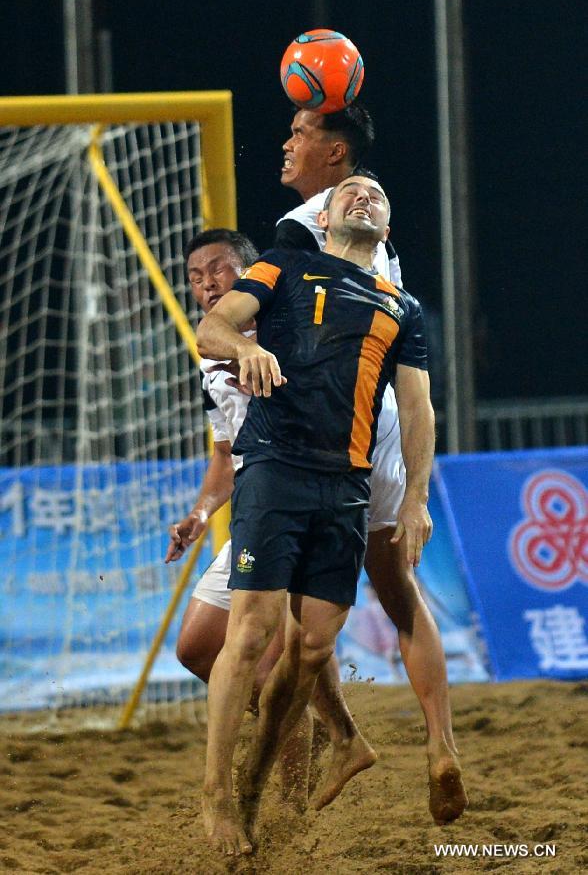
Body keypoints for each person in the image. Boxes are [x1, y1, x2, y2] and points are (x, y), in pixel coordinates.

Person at [196, 174, 436, 856]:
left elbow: (417, 408)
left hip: (347, 489)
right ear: (324, 220)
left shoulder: (402, 306)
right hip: (275, 467)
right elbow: (212, 327)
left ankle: (253, 787)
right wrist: (246, 346)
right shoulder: (286, 265)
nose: (364, 196)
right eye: (350, 193)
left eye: (377, 195)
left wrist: (415, 497)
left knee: (309, 652)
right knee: (249, 637)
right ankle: (216, 797)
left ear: (385, 232)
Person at [275, 104, 467, 827]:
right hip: (381, 421)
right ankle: (441, 745)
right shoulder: (374, 229)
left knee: (298, 614)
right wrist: (417, 493)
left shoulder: (310, 226)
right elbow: (416, 397)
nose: (287, 143)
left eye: (300, 132)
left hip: (331, 434)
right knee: (400, 592)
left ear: (335, 155)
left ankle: (339, 740)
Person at [167, 227, 376, 810]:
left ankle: (290, 810)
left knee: (284, 648)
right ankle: (328, 733)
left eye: (219, 269)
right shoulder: (210, 352)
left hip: (306, 498)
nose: (207, 283)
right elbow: (223, 456)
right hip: (258, 503)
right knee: (196, 649)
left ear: (252, 276)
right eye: (195, 276)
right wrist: (200, 511)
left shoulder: (293, 326)